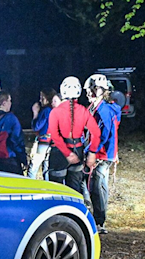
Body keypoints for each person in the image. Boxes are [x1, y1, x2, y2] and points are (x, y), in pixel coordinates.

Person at [47, 76, 100, 202]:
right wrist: (92, 153)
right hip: (78, 151)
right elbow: (96, 133)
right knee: (75, 189)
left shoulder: (55, 112)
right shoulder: (83, 111)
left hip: (59, 154)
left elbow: (54, 135)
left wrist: (67, 153)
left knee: (56, 189)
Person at [85, 74, 121, 233]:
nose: (88, 93)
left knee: (95, 184)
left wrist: (91, 151)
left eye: (92, 89)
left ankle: (99, 221)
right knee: (101, 185)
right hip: (104, 152)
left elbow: (103, 134)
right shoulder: (96, 107)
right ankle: (101, 219)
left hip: (102, 153)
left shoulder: (103, 110)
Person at [28, 88, 57, 179]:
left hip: (43, 142)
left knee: (33, 168)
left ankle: (29, 185)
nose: (40, 100)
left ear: (48, 98)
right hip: (52, 142)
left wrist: (35, 113)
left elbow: (37, 126)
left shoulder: (46, 110)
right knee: (47, 169)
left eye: (42, 98)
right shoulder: (54, 110)